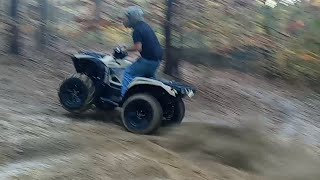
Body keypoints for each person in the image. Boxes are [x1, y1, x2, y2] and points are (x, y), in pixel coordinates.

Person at [120, 6, 164, 98]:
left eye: (126, 18)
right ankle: (151, 98)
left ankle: (125, 98)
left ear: (132, 18)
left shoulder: (137, 30)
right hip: (157, 60)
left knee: (128, 73)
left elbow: (138, 48)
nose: (124, 20)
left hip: (149, 60)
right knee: (148, 79)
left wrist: (125, 49)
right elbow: (149, 44)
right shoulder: (146, 26)